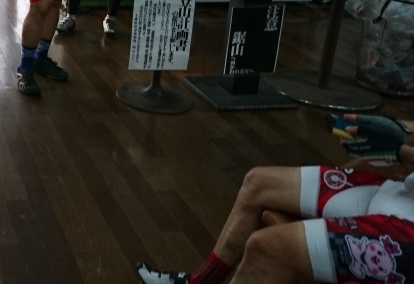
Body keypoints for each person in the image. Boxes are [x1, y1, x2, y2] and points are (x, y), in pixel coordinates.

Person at [137, 113, 414, 284]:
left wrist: (400, 152)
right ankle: (200, 282)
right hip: (402, 191)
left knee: (267, 247)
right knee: (258, 183)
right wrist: (398, 130)